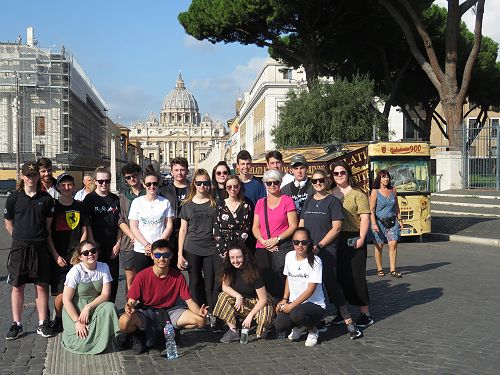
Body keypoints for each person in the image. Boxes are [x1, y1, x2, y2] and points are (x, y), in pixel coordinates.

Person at [299, 168, 363, 340]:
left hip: (325, 251)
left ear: (327, 181)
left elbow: (336, 228)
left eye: (321, 180)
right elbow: (302, 224)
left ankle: (350, 323)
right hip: (307, 250)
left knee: (331, 285)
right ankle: (316, 321)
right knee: (309, 287)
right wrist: (300, 244)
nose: (318, 183)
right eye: (315, 181)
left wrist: (319, 245)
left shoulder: (333, 201)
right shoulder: (309, 200)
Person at [118, 239, 208, 354]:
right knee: (124, 322)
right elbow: (131, 301)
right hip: (147, 311)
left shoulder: (178, 276)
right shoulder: (141, 276)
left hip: (171, 311)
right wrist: (129, 307)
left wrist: (200, 313)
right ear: (152, 256)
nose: (161, 259)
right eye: (158, 255)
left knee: (201, 321)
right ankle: (139, 335)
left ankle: (171, 331)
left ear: (170, 256)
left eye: (165, 255)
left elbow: (189, 302)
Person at [4, 161, 55, 340]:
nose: (31, 178)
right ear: (22, 176)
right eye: (28, 175)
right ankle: (16, 323)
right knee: (17, 286)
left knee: (41, 286)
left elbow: (48, 226)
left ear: (37, 177)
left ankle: (43, 323)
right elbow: (8, 221)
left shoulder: (46, 199)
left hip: (40, 247)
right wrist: (18, 237)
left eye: (34, 175)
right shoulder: (14, 198)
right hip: (19, 247)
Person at [331, 161, 373, 328]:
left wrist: (362, 238)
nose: (340, 175)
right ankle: (341, 312)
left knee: (356, 277)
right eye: (336, 173)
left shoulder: (358, 194)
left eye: (342, 172)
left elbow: (364, 217)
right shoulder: (329, 193)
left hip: (353, 237)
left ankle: (365, 313)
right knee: (338, 277)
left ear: (348, 174)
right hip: (335, 238)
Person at [47, 173, 90, 333]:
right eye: (63, 185)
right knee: (60, 292)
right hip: (59, 256)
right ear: (58, 187)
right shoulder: (53, 207)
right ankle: (58, 317)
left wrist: (79, 254)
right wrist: (55, 255)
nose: (66, 188)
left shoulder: (80, 206)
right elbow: (48, 233)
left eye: (69, 184)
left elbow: (84, 230)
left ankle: (76, 316)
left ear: (74, 186)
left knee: (78, 289)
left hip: (77, 256)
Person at [61, 241, 119, 354]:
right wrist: (77, 322)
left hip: (94, 307)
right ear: (80, 257)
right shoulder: (75, 271)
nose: (90, 254)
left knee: (110, 307)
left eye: (93, 251)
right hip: (76, 311)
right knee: (79, 344)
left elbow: (106, 295)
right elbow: (66, 299)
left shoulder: (104, 267)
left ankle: (101, 339)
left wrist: (88, 307)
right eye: (85, 253)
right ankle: (95, 339)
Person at [213, 242, 274, 343]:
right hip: (241, 301)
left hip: (257, 301)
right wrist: (238, 296)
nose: (235, 261)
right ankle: (233, 331)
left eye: (238, 257)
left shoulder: (253, 272)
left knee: (265, 317)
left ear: (244, 257)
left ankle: (262, 327)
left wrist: (250, 316)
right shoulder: (228, 268)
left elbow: (263, 299)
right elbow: (225, 287)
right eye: (232, 257)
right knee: (223, 296)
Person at [275, 227, 326, 347]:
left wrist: (291, 306)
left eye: (304, 242)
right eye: (296, 242)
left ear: (309, 243)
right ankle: (301, 326)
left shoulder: (316, 261)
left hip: (314, 304)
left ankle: (312, 330)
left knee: (296, 314)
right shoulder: (289, 256)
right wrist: (284, 300)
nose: (300, 245)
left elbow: (310, 290)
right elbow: (288, 278)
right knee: (280, 324)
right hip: (294, 302)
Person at [252, 169, 298, 300]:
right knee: (264, 278)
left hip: (281, 245)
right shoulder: (261, 202)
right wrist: (264, 241)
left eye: (275, 182)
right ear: (265, 184)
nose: (272, 185)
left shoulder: (287, 200)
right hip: (262, 247)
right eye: (269, 183)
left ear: (280, 183)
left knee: (281, 278)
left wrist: (277, 239)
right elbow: (255, 227)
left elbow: (293, 225)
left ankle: (283, 304)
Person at [177, 169, 218, 311]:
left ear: (209, 184)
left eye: (205, 183)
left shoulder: (214, 203)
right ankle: (196, 310)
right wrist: (179, 254)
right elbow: (183, 230)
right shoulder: (186, 204)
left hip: (211, 247)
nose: (202, 186)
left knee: (210, 282)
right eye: (199, 183)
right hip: (192, 247)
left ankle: (212, 311)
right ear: (194, 183)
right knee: (194, 281)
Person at [83, 166, 121, 303]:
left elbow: (120, 223)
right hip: (95, 246)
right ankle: (96, 308)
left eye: (107, 181)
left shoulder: (116, 199)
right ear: (95, 181)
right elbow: (86, 224)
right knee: (96, 278)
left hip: (113, 245)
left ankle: (110, 306)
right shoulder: (89, 199)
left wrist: (118, 243)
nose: (103, 184)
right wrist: (93, 244)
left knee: (112, 277)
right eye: (100, 181)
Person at [129, 165, 174, 273]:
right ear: (144, 184)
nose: (152, 186)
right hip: (142, 248)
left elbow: (169, 225)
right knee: (143, 280)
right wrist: (146, 245)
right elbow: (133, 226)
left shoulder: (165, 202)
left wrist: (157, 245)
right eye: (148, 184)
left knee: (161, 279)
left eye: (155, 183)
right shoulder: (137, 202)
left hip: (160, 249)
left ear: (158, 184)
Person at [370, 169, 403, 278]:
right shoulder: (375, 191)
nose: (386, 179)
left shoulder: (393, 190)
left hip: (392, 222)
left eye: (387, 177)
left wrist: (400, 219)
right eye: (384, 177)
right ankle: (379, 268)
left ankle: (393, 270)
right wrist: (374, 223)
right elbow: (371, 209)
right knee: (379, 245)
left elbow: (396, 206)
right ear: (379, 179)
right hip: (379, 223)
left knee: (393, 244)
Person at [158, 157, 190, 268]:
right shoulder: (163, 192)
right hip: (170, 235)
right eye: (176, 170)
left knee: (193, 272)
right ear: (171, 172)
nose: (179, 173)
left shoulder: (194, 190)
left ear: (187, 171)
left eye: (182, 170)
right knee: (169, 270)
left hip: (190, 234)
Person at [118, 163, 145, 295]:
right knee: (131, 278)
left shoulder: (148, 193)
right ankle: (131, 307)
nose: (132, 179)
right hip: (129, 242)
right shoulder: (123, 197)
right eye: (128, 177)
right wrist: (132, 236)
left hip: (146, 240)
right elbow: (121, 220)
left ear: (140, 175)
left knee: (146, 276)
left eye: (134, 175)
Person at [214, 175, 252, 254]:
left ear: (239, 187)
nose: (233, 189)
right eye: (229, 187)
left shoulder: (246, 206)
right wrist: (223, 249)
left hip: (240, 249)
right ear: (226, 189)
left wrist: (236, 249)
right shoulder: (220, 205)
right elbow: (216, 228)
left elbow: (246, 229)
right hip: (223, 249)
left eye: (235, 186)